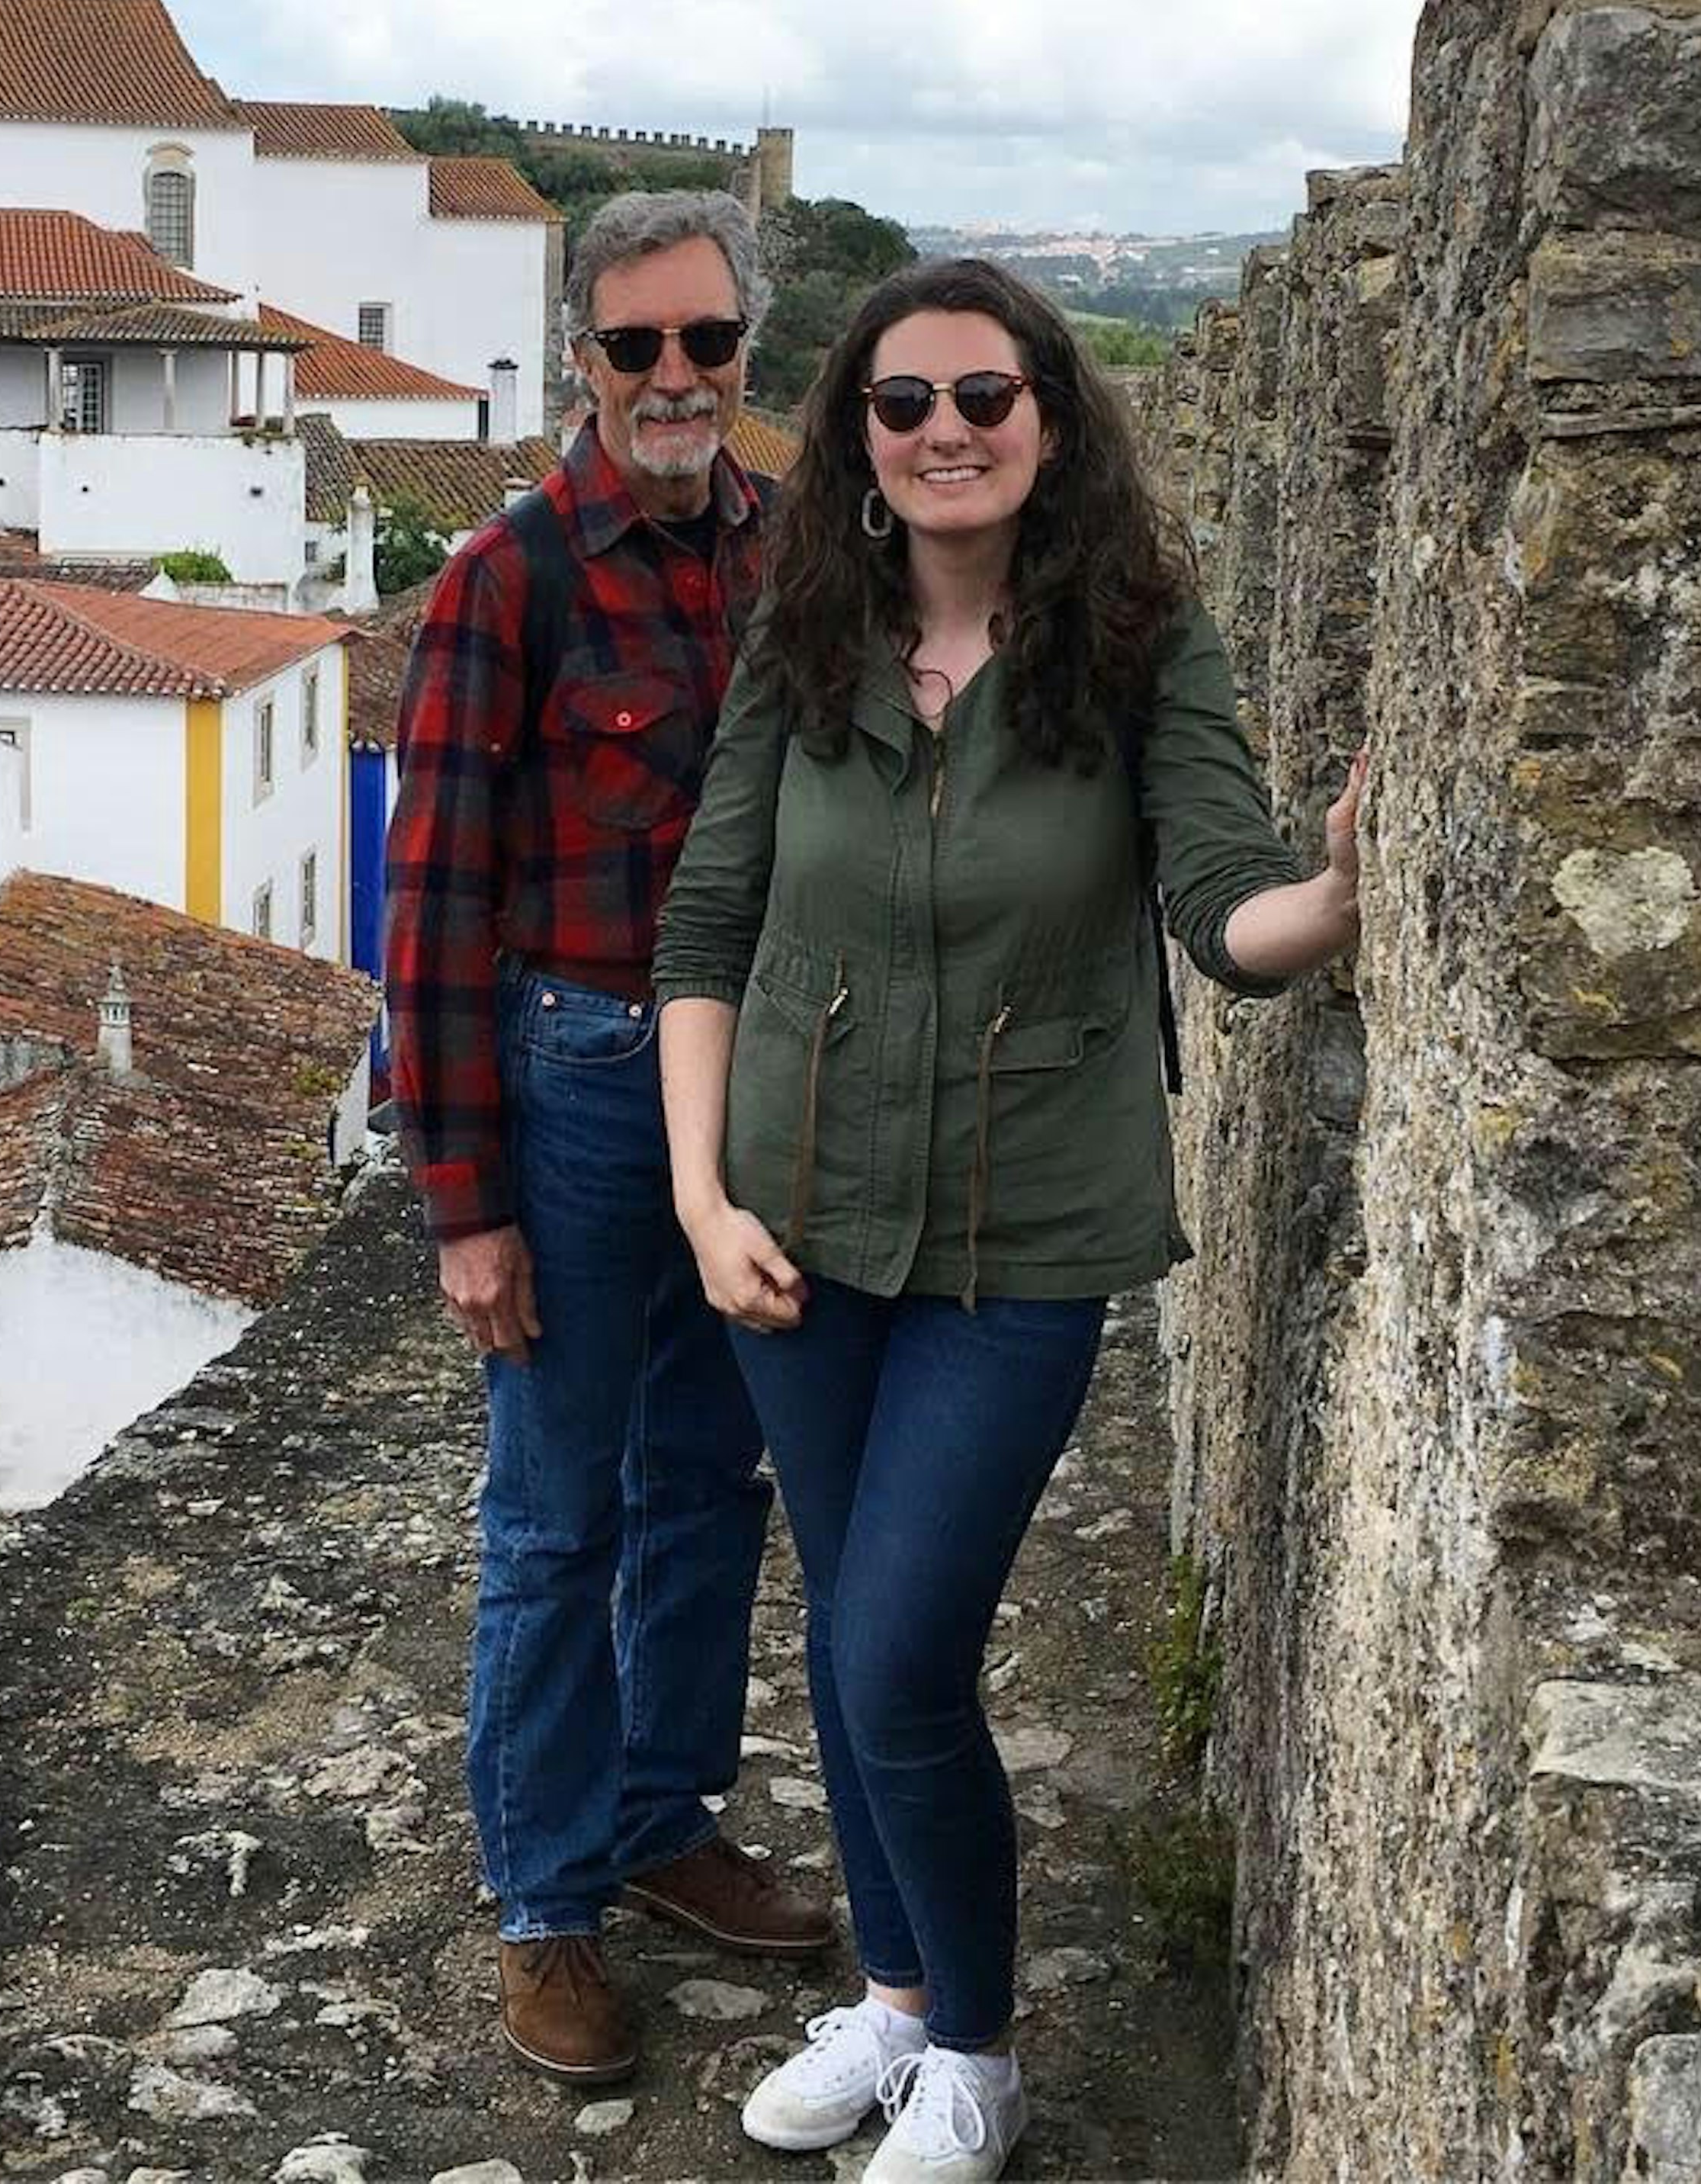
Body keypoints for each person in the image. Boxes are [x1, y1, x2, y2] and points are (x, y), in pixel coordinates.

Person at [653, 257, 1362, 2184]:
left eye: (985, 395)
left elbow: (1225, 901)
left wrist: (1337, 901)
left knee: (894, 1654)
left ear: (1050, 421)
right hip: (794, 1224)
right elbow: (709, 925)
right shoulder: (801, 644)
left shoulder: (1138, 649)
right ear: (857, 444)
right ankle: (891, 1998)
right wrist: (702, 1199)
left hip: (1026, 1234)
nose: (946, 430)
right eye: (903, 404)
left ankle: (976, 2051)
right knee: (851, 1637)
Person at [384, 188, 837, 2089]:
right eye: (638, 345)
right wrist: (465, 1208)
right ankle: (547, 1902)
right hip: (575, 1077)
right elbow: (428, 907)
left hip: (745, 1090)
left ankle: (661, 1820)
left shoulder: (802, 547)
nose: (676, 379)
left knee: (708, 1484)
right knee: (558, 1516)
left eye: (709, 345)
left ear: (749, 356)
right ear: (583, 352)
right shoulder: (511, 578)